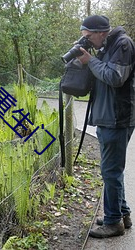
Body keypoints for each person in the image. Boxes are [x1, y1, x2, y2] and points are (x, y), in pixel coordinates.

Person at [77, 15, 135, 238]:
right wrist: (87, 60)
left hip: (117, 118)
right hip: (107, 117)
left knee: (110, 171)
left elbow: (114, 77)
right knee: (112, 171)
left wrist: (90, 61)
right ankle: (122, 214)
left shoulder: (123, 44)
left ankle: (113, 223)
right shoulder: (106, 46)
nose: (88, 41)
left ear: (101, 32)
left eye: (89, 37)